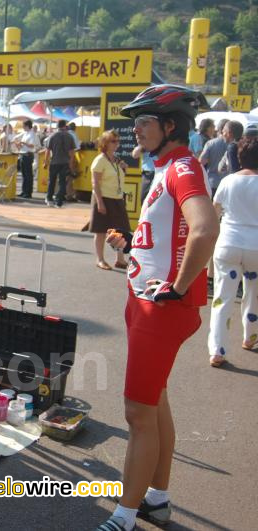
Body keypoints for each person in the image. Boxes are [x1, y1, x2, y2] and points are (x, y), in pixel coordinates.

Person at [100, 85, 218, 531]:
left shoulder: (182, 168)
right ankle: (158, 498)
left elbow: (206, 229)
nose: (136, 128)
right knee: (155, 403)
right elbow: (174, 236)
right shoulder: (169, 166)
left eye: (144, 121)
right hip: (149, 300)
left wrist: (177, 286)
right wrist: (132, 247)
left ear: (171, 126)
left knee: (136, 411)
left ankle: (123, 517)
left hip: (159, 309)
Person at [208, 136, 258, 367]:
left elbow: (213, 212)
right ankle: (250, 337)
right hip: (256, 247)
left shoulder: (228, 181)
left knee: (223, 297)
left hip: (228, 243)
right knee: (253, 295)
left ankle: (217, 350)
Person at [90, 130, 130, 271]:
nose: (117, 144)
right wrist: (100, 202)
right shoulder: (100, 160)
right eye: (113, 141)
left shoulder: (116, 159)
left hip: (117, 198)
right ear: (105, 143)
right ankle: (100, 259)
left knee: (121, 230)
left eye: (118, 141)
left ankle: (120, 259)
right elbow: (95, 183)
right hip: (104, 198)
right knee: (101, 231)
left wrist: (123, 169)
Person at [42, 119, 75, 207]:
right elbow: (72, 153)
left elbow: (48, 150)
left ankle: (49, 199)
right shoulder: (70, 136)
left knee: (52, 181)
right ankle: (59, 201)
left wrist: (45, 162)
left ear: (57, 126)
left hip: (54, 161)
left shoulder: (52, 136)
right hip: (65, 162)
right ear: (65, 126)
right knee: (62, 182)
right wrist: (71, 165)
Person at [199, 118, 229, 196]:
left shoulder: (211, 143)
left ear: (219, 129)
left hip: (212, 182)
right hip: (228, 183)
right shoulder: (236, 144)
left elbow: (201, 161)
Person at [14, 119, 39, 198]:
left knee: (28, 175)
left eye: (23, 126)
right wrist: (20, 144)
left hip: (28, 155)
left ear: (27, 126)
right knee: (24, 174)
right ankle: (24, 191)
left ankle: (28, 192)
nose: (23, 127)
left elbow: (31, 145)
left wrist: (23, 143)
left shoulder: (32, 134)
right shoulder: (26, 133)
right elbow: (25, 145)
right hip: (23, 154)